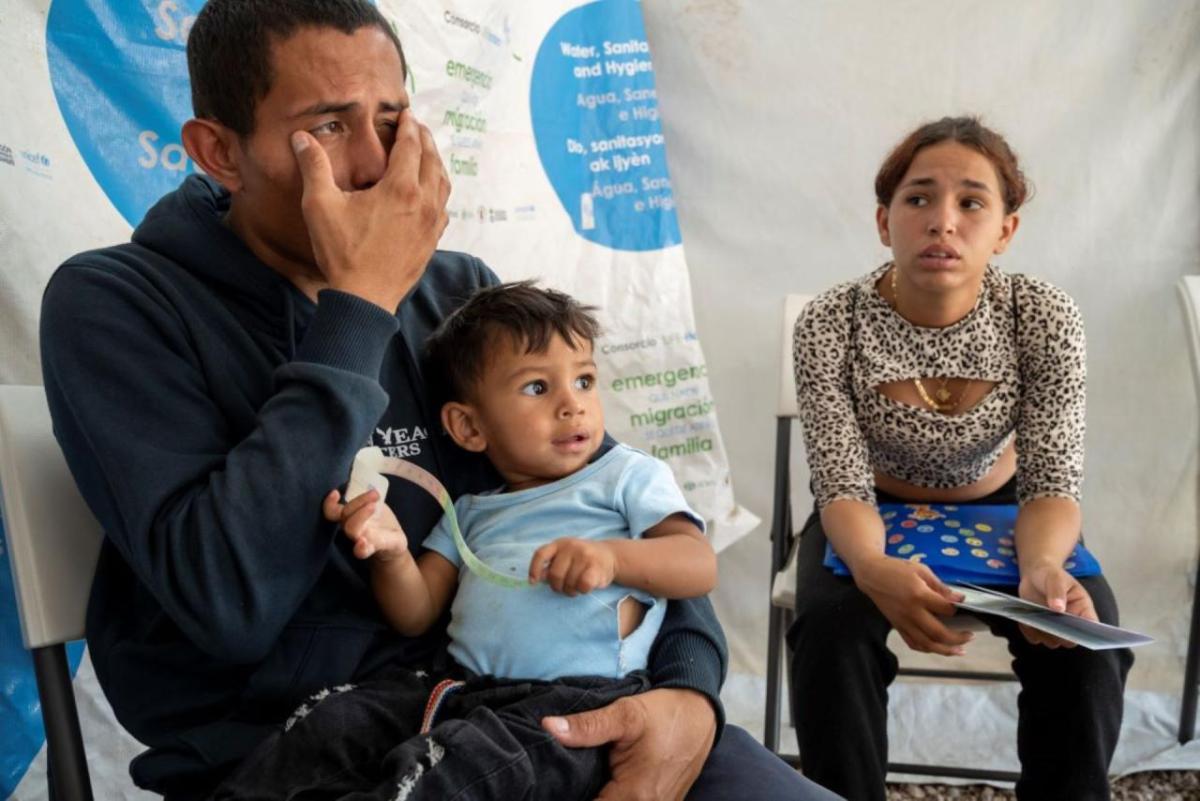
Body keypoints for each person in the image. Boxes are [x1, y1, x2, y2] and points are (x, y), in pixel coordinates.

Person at [39, 1, 835, 799]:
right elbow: (229, 603)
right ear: (221, 151)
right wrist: (359, 307)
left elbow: (603, 498)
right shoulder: (115, 304)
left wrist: (687, 696)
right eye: (327, 127)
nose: (374, 164)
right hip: (290, 754)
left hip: (534, 707)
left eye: (390, 121)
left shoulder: (457, 292)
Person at [212, 281, 721, 799]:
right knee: (332, 721)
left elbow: (697, 564)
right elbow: (417, 611)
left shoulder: (626, 476)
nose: (574, 405)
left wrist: (613, 558)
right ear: (469, 427)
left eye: (585, 380)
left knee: (450, 779)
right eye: (537, 389)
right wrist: (391, 554)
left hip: (574, 705)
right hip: (455, 690)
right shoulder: (471, 512)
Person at [787, 115, 1134, 801]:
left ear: (1006, 228)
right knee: (830, 634)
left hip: (1011, 513)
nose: (942, 221)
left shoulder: (1043, 315)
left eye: (972, 201)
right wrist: (870, 566)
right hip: (867, 514)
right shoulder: (832, 321)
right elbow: (840, 480)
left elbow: (1052, 479)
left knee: (1089, 644)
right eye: (918, 199)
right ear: (884, 221)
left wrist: (1041, 567)